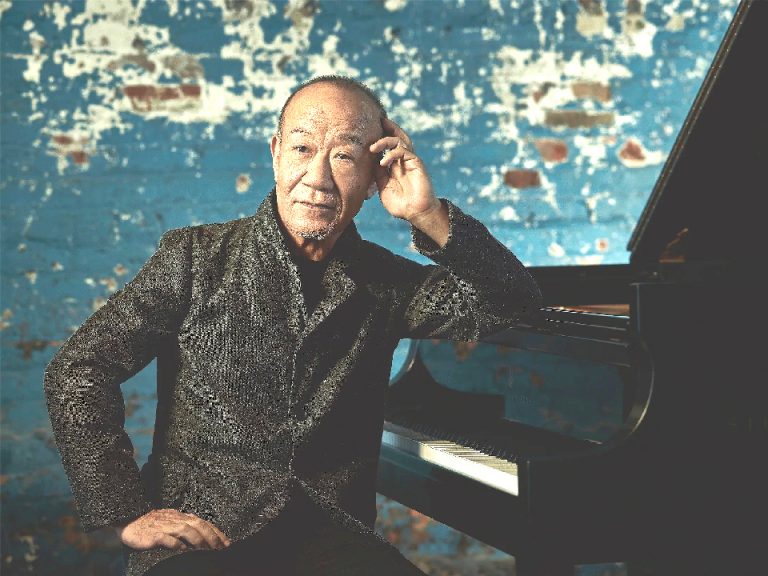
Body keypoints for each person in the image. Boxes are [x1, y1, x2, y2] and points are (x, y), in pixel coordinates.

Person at [43, 75, 542, 576]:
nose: (318, 178)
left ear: (374, 177)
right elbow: (79, 369)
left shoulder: (385, 282)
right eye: (302, 148)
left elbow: (512, 303)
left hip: (331, 534)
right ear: (276, 153)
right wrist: (126, 512)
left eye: (344, 156)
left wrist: (426, 213)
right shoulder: (194, 258)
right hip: (199, 533)